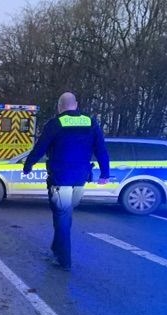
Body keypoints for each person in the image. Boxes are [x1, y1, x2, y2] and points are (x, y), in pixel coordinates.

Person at [22, 92, 110, 271]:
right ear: (75, 105)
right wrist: (105, 174)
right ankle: (57, 249)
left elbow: (40, 148)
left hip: (61, 178)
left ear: (59, 106)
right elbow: (101, 149)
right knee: (65, 215)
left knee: (62, 218)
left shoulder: (55, 124)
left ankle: (64, 261)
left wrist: (28, 165)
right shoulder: (91, 122)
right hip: (80, 179)